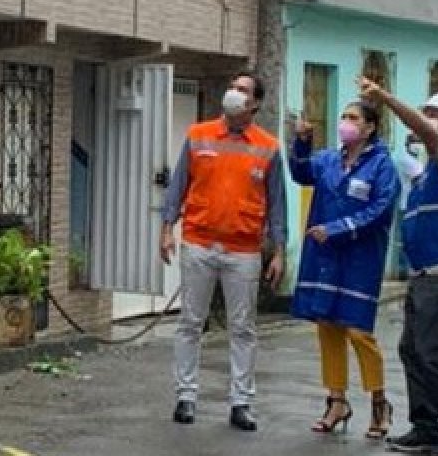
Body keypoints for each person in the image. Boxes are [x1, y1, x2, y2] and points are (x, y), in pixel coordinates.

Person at [356, 78, 438, 456]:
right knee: (413, 350)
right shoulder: (427, 172)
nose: (429, 120)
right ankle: (426, 426)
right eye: (429, 113)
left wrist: (386, 99)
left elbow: (425, 132)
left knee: (432, 353)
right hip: (425, 273)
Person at [160, 71, 287, 432]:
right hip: (199, 243)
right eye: (232, 87)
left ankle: (241, 403)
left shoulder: (268, 146)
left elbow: (277, 203)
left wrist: (278, 251)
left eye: (243, 90)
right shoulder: (198, 135)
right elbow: (178, 185)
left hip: (244, 250)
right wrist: (167, 229)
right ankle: (185, 396)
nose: (234, 93)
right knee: (189, 323)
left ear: (255, 103)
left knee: (243, 328)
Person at [288, 101, 399, 439]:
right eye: (344, 117)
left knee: (358, 330)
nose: (346, 123)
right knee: (327, 326)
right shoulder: (327, 160)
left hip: (359, 258)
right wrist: (302, 142)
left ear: (370, 127)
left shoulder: (382, 165)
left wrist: (338, 228)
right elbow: (300, 173)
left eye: (353, 118)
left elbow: (381, 209)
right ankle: (336, 401)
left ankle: (379, 402)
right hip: (324, 258)